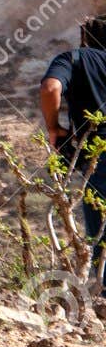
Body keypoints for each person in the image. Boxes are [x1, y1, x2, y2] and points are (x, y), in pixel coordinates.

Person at [39, 37, 106, 253]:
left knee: (101, 242)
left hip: (100, 157)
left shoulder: (72, 58)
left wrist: (54, 128)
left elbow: (50, 89)